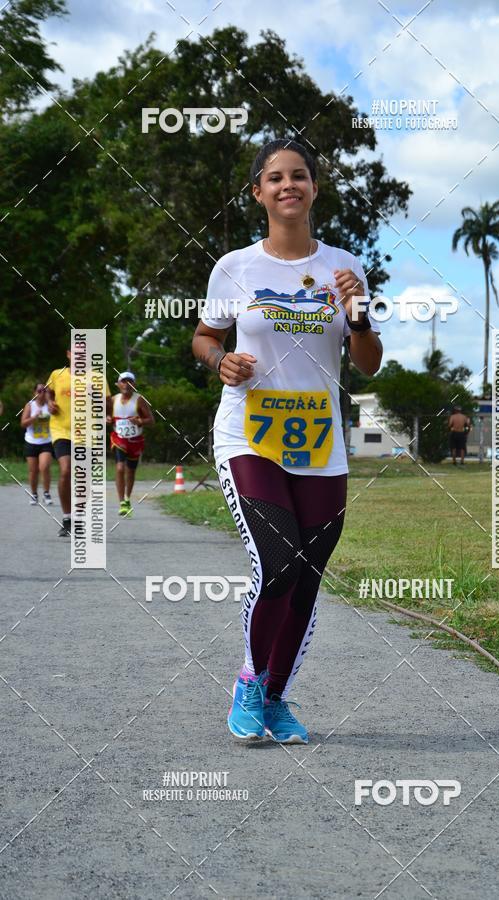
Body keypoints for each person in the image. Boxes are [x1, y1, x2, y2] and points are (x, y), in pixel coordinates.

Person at [193, 139, 383, 744]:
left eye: (299, 175)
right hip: (249, 433)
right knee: (278, 563)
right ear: (259, 193)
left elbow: (369, 362)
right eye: (275, 178)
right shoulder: (235, 266)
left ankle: (275, 699)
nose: (288, 185)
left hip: (319, 439)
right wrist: (221, 361)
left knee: (307, 573)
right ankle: (249, 683)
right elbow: (204, 337)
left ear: (314, 188)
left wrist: (357, 311)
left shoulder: (344, 266)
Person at [46, 348, 112, 537]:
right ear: (68, 354)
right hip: (61, 430)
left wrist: (94, 394)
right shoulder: (57, 374)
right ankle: (67, 518)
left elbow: (108, 405)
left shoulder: (97, 377)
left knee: (83, 477)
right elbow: (49, 391)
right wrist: (50, 403)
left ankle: (79, 518)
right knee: (66, 470)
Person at [108, 372, 154, 516]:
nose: (126, 385)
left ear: (134, 385)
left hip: (135, 440)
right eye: (123, 381)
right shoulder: (113, 400)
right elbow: (106, 416)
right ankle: (121, 502)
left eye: (129, 382)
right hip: (119, 438)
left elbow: (151, 420)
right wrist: (107, 419)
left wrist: (140, 421)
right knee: (120, 468)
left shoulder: (139, 400)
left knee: (131, 471)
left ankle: (127, 498)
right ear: (118, 384)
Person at [21, 383, 54, 506]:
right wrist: (34, 417)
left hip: (46, 441)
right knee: (33, 471)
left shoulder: (50, 406)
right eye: (39, 391)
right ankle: (34, 494)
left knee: (44, 467)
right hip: (31, 441)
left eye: (45, 390)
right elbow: (23, 423)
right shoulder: (30, 405)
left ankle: (46, 493)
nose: (42, 393)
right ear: (34, 393)